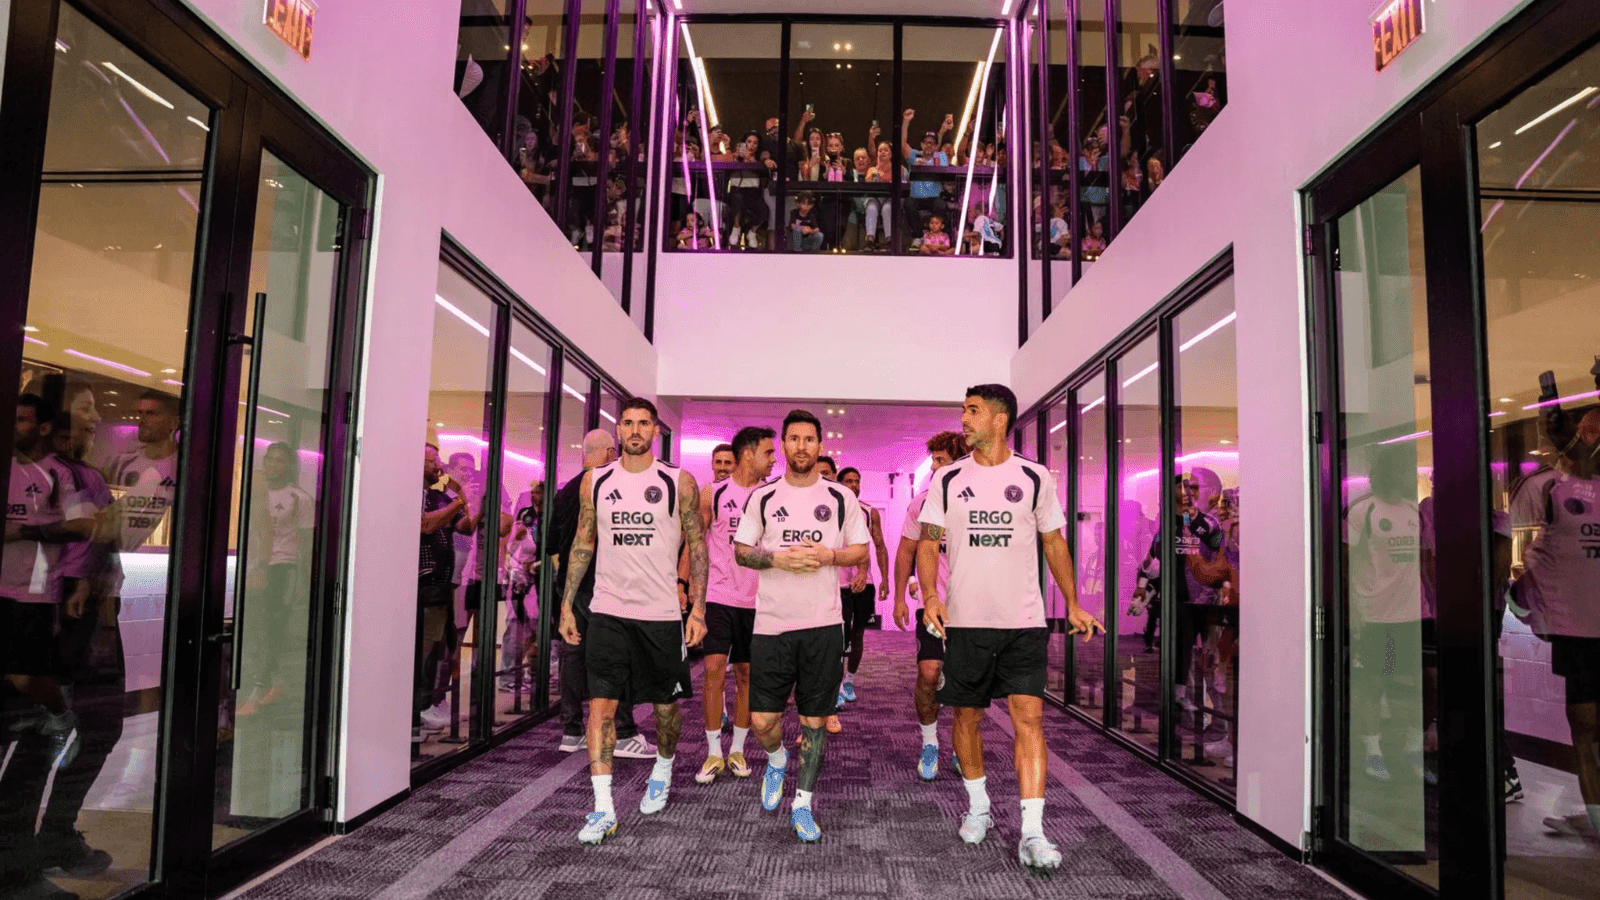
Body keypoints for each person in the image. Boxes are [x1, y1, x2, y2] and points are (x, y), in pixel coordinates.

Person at [917, 384, 1101, 869]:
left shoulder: (1036, 478)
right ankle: (978, 807)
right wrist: (932, 595)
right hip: (966, 623)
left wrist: (1074, 602)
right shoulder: (948, 480)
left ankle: (1033, 833)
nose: (964, 420)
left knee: (1030, 721)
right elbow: (927, 543)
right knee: (968, 718)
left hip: (1023, 623)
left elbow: (1053, 542)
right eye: (963, 411)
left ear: (1000, 419)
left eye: (972, 411)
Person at [560, 399, 708, 845]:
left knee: (666, 710)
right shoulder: (595, 482)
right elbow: (583, 544)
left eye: (645, 422)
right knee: (600, 707)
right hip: (607, 611)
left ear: (656, 431)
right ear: (619, 431)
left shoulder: (678, 481)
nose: (636, 429)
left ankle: (662, 768)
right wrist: (567, 605)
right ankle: (602, 807)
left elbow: (697, 547)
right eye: (628, 422)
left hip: (660, 613)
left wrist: (697, 608)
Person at [735, 410, 869, 843]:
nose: (801, 446)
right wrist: (777, 558)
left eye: (809, 439)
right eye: (793, 439)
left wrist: (829, 556)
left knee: (814, 722)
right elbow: (741, 550)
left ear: (818, 445)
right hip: (772, 625)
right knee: (762, 720)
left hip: (823, 625)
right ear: (785, 444)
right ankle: (775, 761)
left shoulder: (840, 498)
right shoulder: (763, 497)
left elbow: (859, 550)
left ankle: (803, 804)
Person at [1510, 408, 1600, 841]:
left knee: (1586, 727)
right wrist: (1532, 604)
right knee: (1584, 725)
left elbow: (1529, 562)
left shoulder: (1557, 490)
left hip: (1581, 627)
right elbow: (1526, 558)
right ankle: (1596, 819)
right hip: (1577, 630)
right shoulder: (1549, 490)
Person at [547, 430, 655, 758]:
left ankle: (571, 730)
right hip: (604, 583)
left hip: (571, 583)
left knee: (573, 656)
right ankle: (622, 732)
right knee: (615, 654)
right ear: (610, 452)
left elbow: (551, 547)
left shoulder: (565, 491)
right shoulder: (607, 487)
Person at [695, 426, 776, 785]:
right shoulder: (713, 493)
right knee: (713, 670)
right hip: (718, 595)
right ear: (749, 455)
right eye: (768, 453)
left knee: (746, 675)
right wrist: (688, 592)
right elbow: (696, 545)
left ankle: (738, 749)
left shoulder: (771, 496)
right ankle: (714, 753)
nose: (774, 459)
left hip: (756, 601)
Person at [892, 430, 969, 781]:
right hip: (933, 605)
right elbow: (906, 550)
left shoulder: (977, 501)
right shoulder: (921, 503)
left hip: (973, 607)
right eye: (933, 460)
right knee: (929, 672)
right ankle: (929, 742)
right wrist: (898, 597)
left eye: (942, 460)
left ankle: (962, 747)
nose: (934, 467)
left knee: (967, 682)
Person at [236, 442, 314, 717]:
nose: (272, 465)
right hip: (257, 568)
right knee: (256, 629)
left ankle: (258, 692)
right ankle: (275, 682)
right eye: (269, 459)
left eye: (280, 460)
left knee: (273, 629)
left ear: (290, 465)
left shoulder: (298, 498)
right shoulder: (256, 493)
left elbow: (306, 544)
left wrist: (304, 580)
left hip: (284, 567)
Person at [416, 444, 473, 745]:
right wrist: (458, 501)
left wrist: (476, 506)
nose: (436, 464)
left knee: (438, 646)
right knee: (423, 650)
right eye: (431, 459)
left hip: (441, 582)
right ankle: (418, 711)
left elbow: (462, 527)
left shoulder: (439, 496)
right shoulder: (417, 493)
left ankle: (426, 706)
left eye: (436, 459)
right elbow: (425, 525)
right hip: (423, 582)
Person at [835, 467, 889, 710]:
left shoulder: (869, 512)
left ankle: (849, 680)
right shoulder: (831, 510)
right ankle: (834, 684)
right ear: (839, 484)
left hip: (863, 583)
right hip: (838, 583)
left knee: (858, 634)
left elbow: (879, 545)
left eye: (857, 481)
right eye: (848, 481)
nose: (854, 485)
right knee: (837, 636)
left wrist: (885, 579)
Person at [901, 109, 953, 238]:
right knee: (908, 203)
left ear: (936, 146)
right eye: (926, 142)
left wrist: (943, 130)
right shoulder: (914, 155)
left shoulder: (940, 157)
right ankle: (918, 237)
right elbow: (902, 145)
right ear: (921, 145)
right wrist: (906, 122)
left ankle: (938, 236)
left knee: (941, 204)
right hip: (916, 198)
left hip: (933, 198)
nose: (929, 145)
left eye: (932, 143)